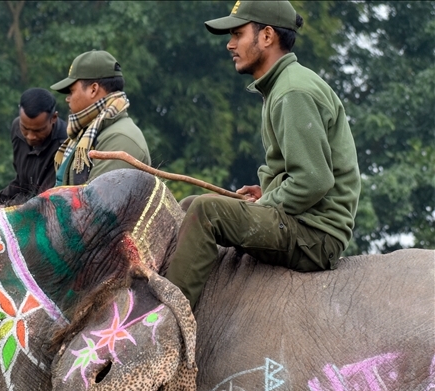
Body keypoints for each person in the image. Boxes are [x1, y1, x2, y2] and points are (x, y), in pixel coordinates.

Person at [164, 0, 360, 311]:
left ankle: (163, 325)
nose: (230, 45)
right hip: (303, 222)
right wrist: (267, 193)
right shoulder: (283, 85)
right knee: (187, 205)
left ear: (266, 36)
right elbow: (300, 174)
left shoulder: (292, 91)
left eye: (237, 34)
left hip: (315, 235)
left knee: (206, 211)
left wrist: (267, 203)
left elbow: (313, 180)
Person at [51, 50, 151, 186]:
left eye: (71, 91)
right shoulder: (88, 134)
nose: (67, 98)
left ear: (93, 89)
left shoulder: (119, 139)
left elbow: (98, 204)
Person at [0, 88, 67, 206]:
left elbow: (43, 199)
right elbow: (21, 183)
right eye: (25, 128)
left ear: (53, 118)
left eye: (39, 130)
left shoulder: (65, 144)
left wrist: (3, 209)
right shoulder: (16, 128)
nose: (31, 136)